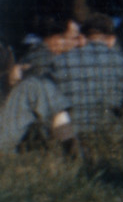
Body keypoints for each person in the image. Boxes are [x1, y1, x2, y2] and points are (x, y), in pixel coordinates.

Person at [43, 14, 123, 144]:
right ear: (111, 39)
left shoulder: (60, 61)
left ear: (83, 38)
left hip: (71, 140)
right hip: (110, 139)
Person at [0, 16, 82, 155]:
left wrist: (9, 79)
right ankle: (69, 146)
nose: (80, 42)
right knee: (36, 86)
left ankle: (69, 146)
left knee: (35, 86)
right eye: (74, 37)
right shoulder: (42, 59)